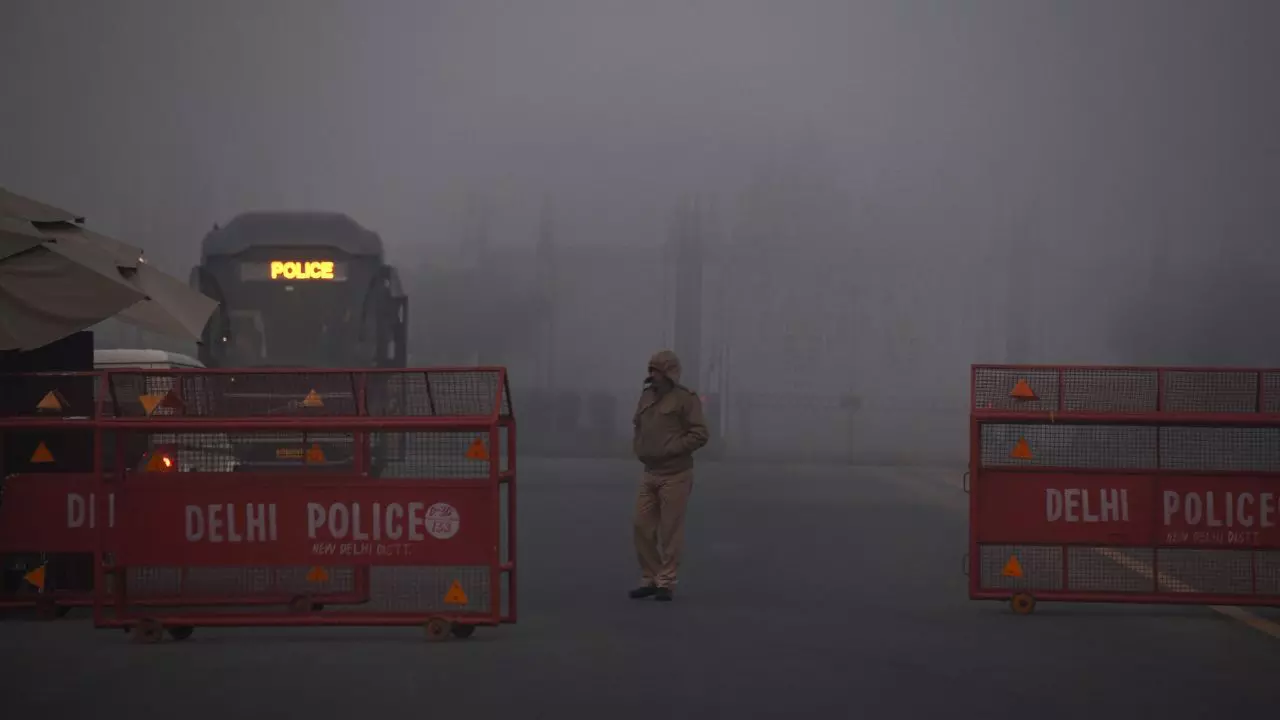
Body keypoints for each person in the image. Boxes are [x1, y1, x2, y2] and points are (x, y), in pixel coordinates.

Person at [629, 349, 709, 602]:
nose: (652, 375)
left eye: (657, 371)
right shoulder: (646, 397)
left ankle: (666, 581)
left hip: (676, 473)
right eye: (650, 370)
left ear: (669, 373)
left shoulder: (685, 399)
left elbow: (700, 433)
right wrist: (640, 447)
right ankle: (650, 577)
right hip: (649, 472)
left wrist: (672, 449)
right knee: (641, 525)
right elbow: (638, 425)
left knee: (670, 530)